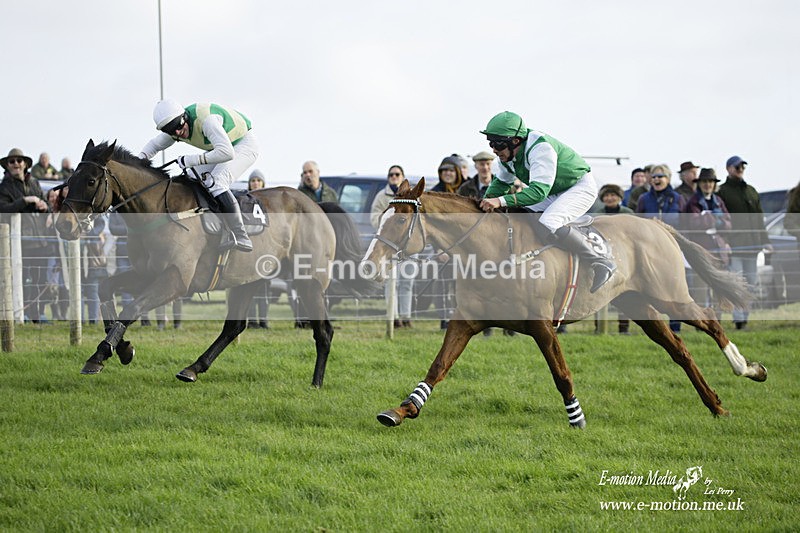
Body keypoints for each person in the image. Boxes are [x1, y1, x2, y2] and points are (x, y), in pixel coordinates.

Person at [478, 111, 615, 293]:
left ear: (516, 141)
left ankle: (600, 261)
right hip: (553, 191)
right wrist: (480, 207)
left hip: (578, 187)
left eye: (498, 144)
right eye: (491, 143)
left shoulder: (540, 148)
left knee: (549, 221)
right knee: (518, 214)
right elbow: (501, 183)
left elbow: (537, 193)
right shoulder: (507, 156)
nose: (494, 150)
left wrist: (499, 201)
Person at [140, 99, 258, 252]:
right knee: (191, 178)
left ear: (184, 117)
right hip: (223, 147)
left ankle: (240, 235)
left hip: (243, 144)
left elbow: (227, 153)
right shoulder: (175, 126)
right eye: (170, 131)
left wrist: (192, 160)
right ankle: (216, 228)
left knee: (216, 182)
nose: (177, 132)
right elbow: (154, 146)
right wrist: (137, 163)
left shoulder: (207, 122)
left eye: (178, 126)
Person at [716, 155, 772, 330]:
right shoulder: (722, 192)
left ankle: (745, 316)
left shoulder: (751, 191)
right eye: (736, 167)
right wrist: (724, 242)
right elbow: (720, 221)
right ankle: (738, 319)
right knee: (737, 283)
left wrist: (765, 241)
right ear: (728, 169)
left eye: (742, 167)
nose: (740, 169)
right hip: (734, 247)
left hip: (753, 246)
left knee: (752, 283)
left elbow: (759, 219)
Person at [0, 148, 52, 322]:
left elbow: (46, 205)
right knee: (21, 280)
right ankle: (20, 314)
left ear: (25, 164)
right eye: (12, 161)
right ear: (7, 165)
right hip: (19, 242)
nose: (16, 164)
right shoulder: (4, 186)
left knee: (41, 280)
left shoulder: (34, 183)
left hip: (41, 241)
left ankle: (38, 314)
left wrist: (46, 207)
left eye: (19, 161)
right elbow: (3, 210)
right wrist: (25, 201)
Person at [636, 164, 685, 332]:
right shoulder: (644, 198)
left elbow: (681, 221)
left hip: (671, 245)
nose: (656, 179)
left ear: (668, 179)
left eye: (660, 176)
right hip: (649, 247)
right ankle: (657, 325)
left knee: (673, 284)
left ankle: (675, 325)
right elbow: (637, 220)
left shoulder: (677, 198)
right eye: (654, 176)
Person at [371, 165, 415, 328]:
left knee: (407, 282)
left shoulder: (411, 198)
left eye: (397, 174)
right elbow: (375, 216)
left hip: (407, 245)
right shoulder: (382, 197)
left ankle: (406, 316)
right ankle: (394, 317)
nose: (394, 177)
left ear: (403, 177)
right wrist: (388, 226)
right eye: (391, 174)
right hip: (389, 245)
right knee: (391, 282)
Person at [684, 168, 732, 311]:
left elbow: (728, 224)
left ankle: (717, 320)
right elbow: (695, 223)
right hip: (701, 251)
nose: (707, 185)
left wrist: (715, 221)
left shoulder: (718, 200)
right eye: (704, 182)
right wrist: (714, 218)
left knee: (718, 289)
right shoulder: (693, 202)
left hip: (718, 251)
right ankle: (702, 321)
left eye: (710, 182)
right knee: (700, 289)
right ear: (699, 183)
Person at [592, 184, 633, 334]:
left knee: (625, 294)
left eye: (613, 195)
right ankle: (599, 328)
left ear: (620, 197)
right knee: (600, 293)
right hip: (603, 256)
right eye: (607, 195)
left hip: (624, 257)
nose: (610, 198)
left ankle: (624, 328)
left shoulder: (628, 214)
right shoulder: (596, 215)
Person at [247, 169, 271, 329]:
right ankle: (252, 321)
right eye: (253, 180)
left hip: (265, 252)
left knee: (264, 289)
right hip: (250, 251)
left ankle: (263, 320)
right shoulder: (245, 202)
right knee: (249, 290)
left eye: (258, 180)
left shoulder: (267, 203)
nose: (255, 183)